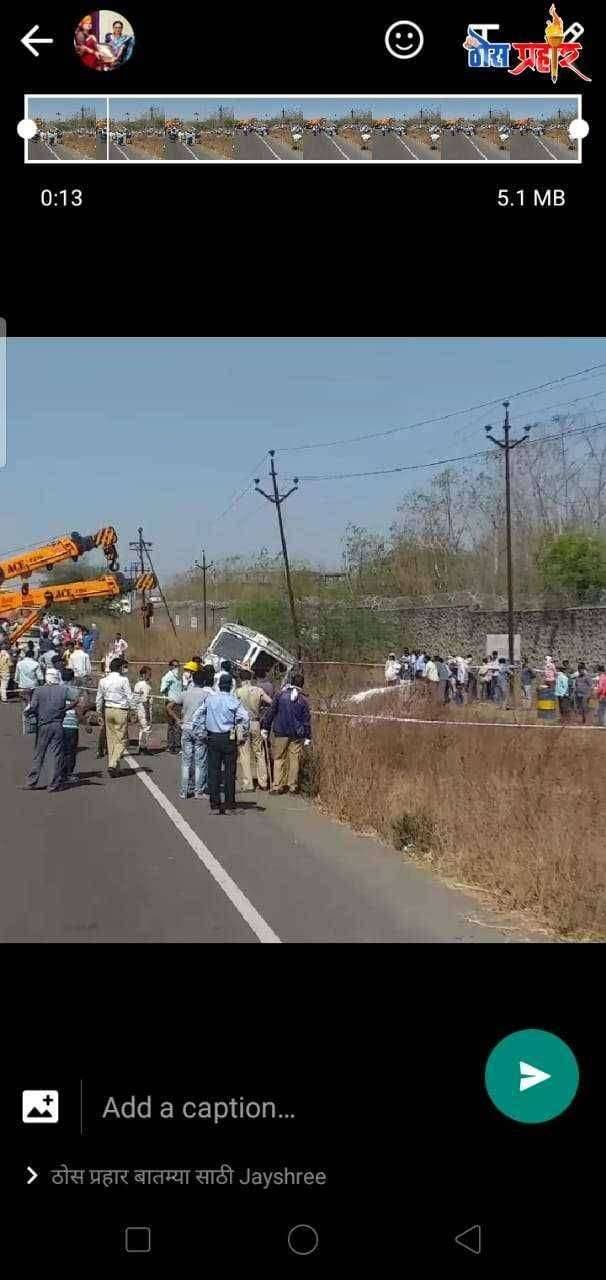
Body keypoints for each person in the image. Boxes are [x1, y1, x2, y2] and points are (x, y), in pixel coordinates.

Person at [24, 672, 79, 791]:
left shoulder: (39, 690)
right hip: (58, 725)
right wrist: (65, 709)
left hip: (43, 725)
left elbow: (33, 707)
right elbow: (76, 699)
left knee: (39, 754)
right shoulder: (63, 690)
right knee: (57, 755)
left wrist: (28, 710)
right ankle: (54, 784)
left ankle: (31, 782)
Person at [204, 672, 250, 813]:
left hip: (212, 737)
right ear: (230, 686)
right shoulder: (234, 701)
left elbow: (199, 715)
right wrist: (243, 731)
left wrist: (200, 730)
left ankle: (215, 803)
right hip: (229, 737)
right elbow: (245, 717)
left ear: (219, 685)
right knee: (230, 771)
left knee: (214, 771)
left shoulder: (210, 700)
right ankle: (229, 803)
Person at [263, 672, 311, 795]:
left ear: (291, 682)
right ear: (302, 685)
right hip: (297, 734)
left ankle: (278, 786)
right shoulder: (304, 699)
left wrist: (265, 727)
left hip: (281, 731)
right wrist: (308, 736)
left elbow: (271, 712)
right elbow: (306, 720)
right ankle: (292, 786)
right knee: (294, 759)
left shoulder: (280, 695)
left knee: (279, 758)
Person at [171, 664, 215, 799]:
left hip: (186, 728)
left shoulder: (185, 693)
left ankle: (184, 790)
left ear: (193, 680)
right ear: (204, 681)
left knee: (186, 761)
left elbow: (169, 706)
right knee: (200, 761)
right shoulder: (207, 695)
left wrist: (177, 719)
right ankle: (198, 791)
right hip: (200, 730)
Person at [95, 657, 134, 776]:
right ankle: (112, 764)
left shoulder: (103, 681)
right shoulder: (124, 680)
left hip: (108, 710)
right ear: (120, 667)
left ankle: (115, 769)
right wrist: (134, 710)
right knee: (123, 740)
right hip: (121, 710)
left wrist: (99, 712)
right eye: (124, 667)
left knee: (111, 740)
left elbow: (99, 698)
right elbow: (129, 696)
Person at [236, 665, 272, 791]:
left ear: (241, 679)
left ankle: (248, 783)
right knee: (259, 752)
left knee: (244, 754)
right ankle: (263, 781)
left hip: (242, 724)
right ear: (250, 678)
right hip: (256, 722)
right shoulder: (258, 690)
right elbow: (271, 702)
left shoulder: (237, 692)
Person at [60, 669, 82, 783]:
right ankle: (68, 774)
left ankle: (59, 772)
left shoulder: (57, 689)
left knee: (60, 750)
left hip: (59, 723)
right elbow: (78, 708)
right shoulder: (75, 691)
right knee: (71, 751)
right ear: (73, 678)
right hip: (71, 724)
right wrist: (85, 722)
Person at [161, 660, 183, 753]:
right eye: (174, 666)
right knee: (172, 724)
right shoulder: (167, 677)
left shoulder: (179, 677)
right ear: (170, 667)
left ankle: (176, 745)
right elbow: (162, 689)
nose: (176, 668)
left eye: (178, 666)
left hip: (178, 702)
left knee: (177, 725)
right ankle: (172, 746)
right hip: (171, 703)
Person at [133, 665, 153, 754]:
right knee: (146, 728)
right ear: (144, 674)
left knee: (142, 728)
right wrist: (147, 713)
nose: (150, 676)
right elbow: (145, 700)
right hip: (144, 709)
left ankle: (141, 747)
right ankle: (144, 747)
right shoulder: (144, 685)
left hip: (140, 708)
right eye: (149, 674)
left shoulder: (138, 684)